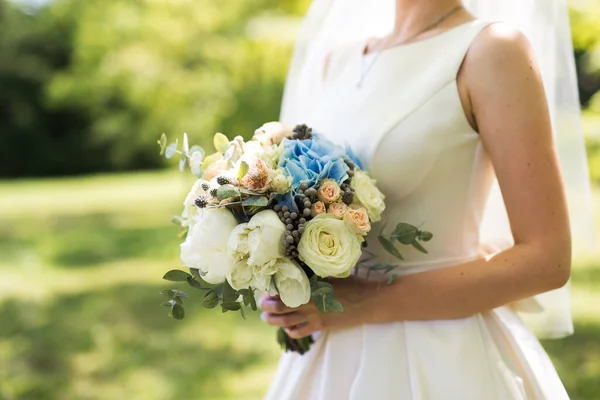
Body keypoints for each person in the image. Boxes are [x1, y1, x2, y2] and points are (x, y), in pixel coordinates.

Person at [261, 0, 593, 398]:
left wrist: (365, 303)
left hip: (441, 352)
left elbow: (547, 260)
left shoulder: (491, 50)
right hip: (329, 358)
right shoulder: (339, 59)